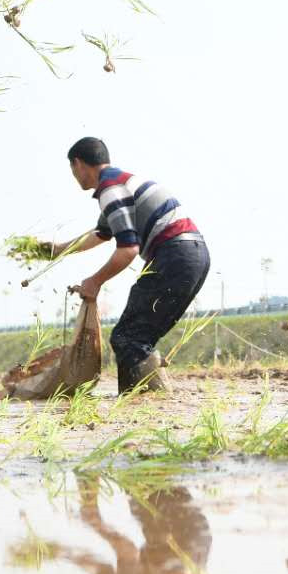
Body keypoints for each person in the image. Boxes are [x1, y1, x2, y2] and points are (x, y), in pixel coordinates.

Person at [40, 137, 209, 394]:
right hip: (190, 255)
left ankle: (142, 406)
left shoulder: (111, 190)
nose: (75, 176)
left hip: (176, 256)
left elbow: (128, 249)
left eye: (73, 170)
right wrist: (60, 250)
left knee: (128, 337)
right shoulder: (120, 184)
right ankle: (155, 403)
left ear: (78, 164)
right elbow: (101, 234)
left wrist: (94, 282)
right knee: (137, 338)